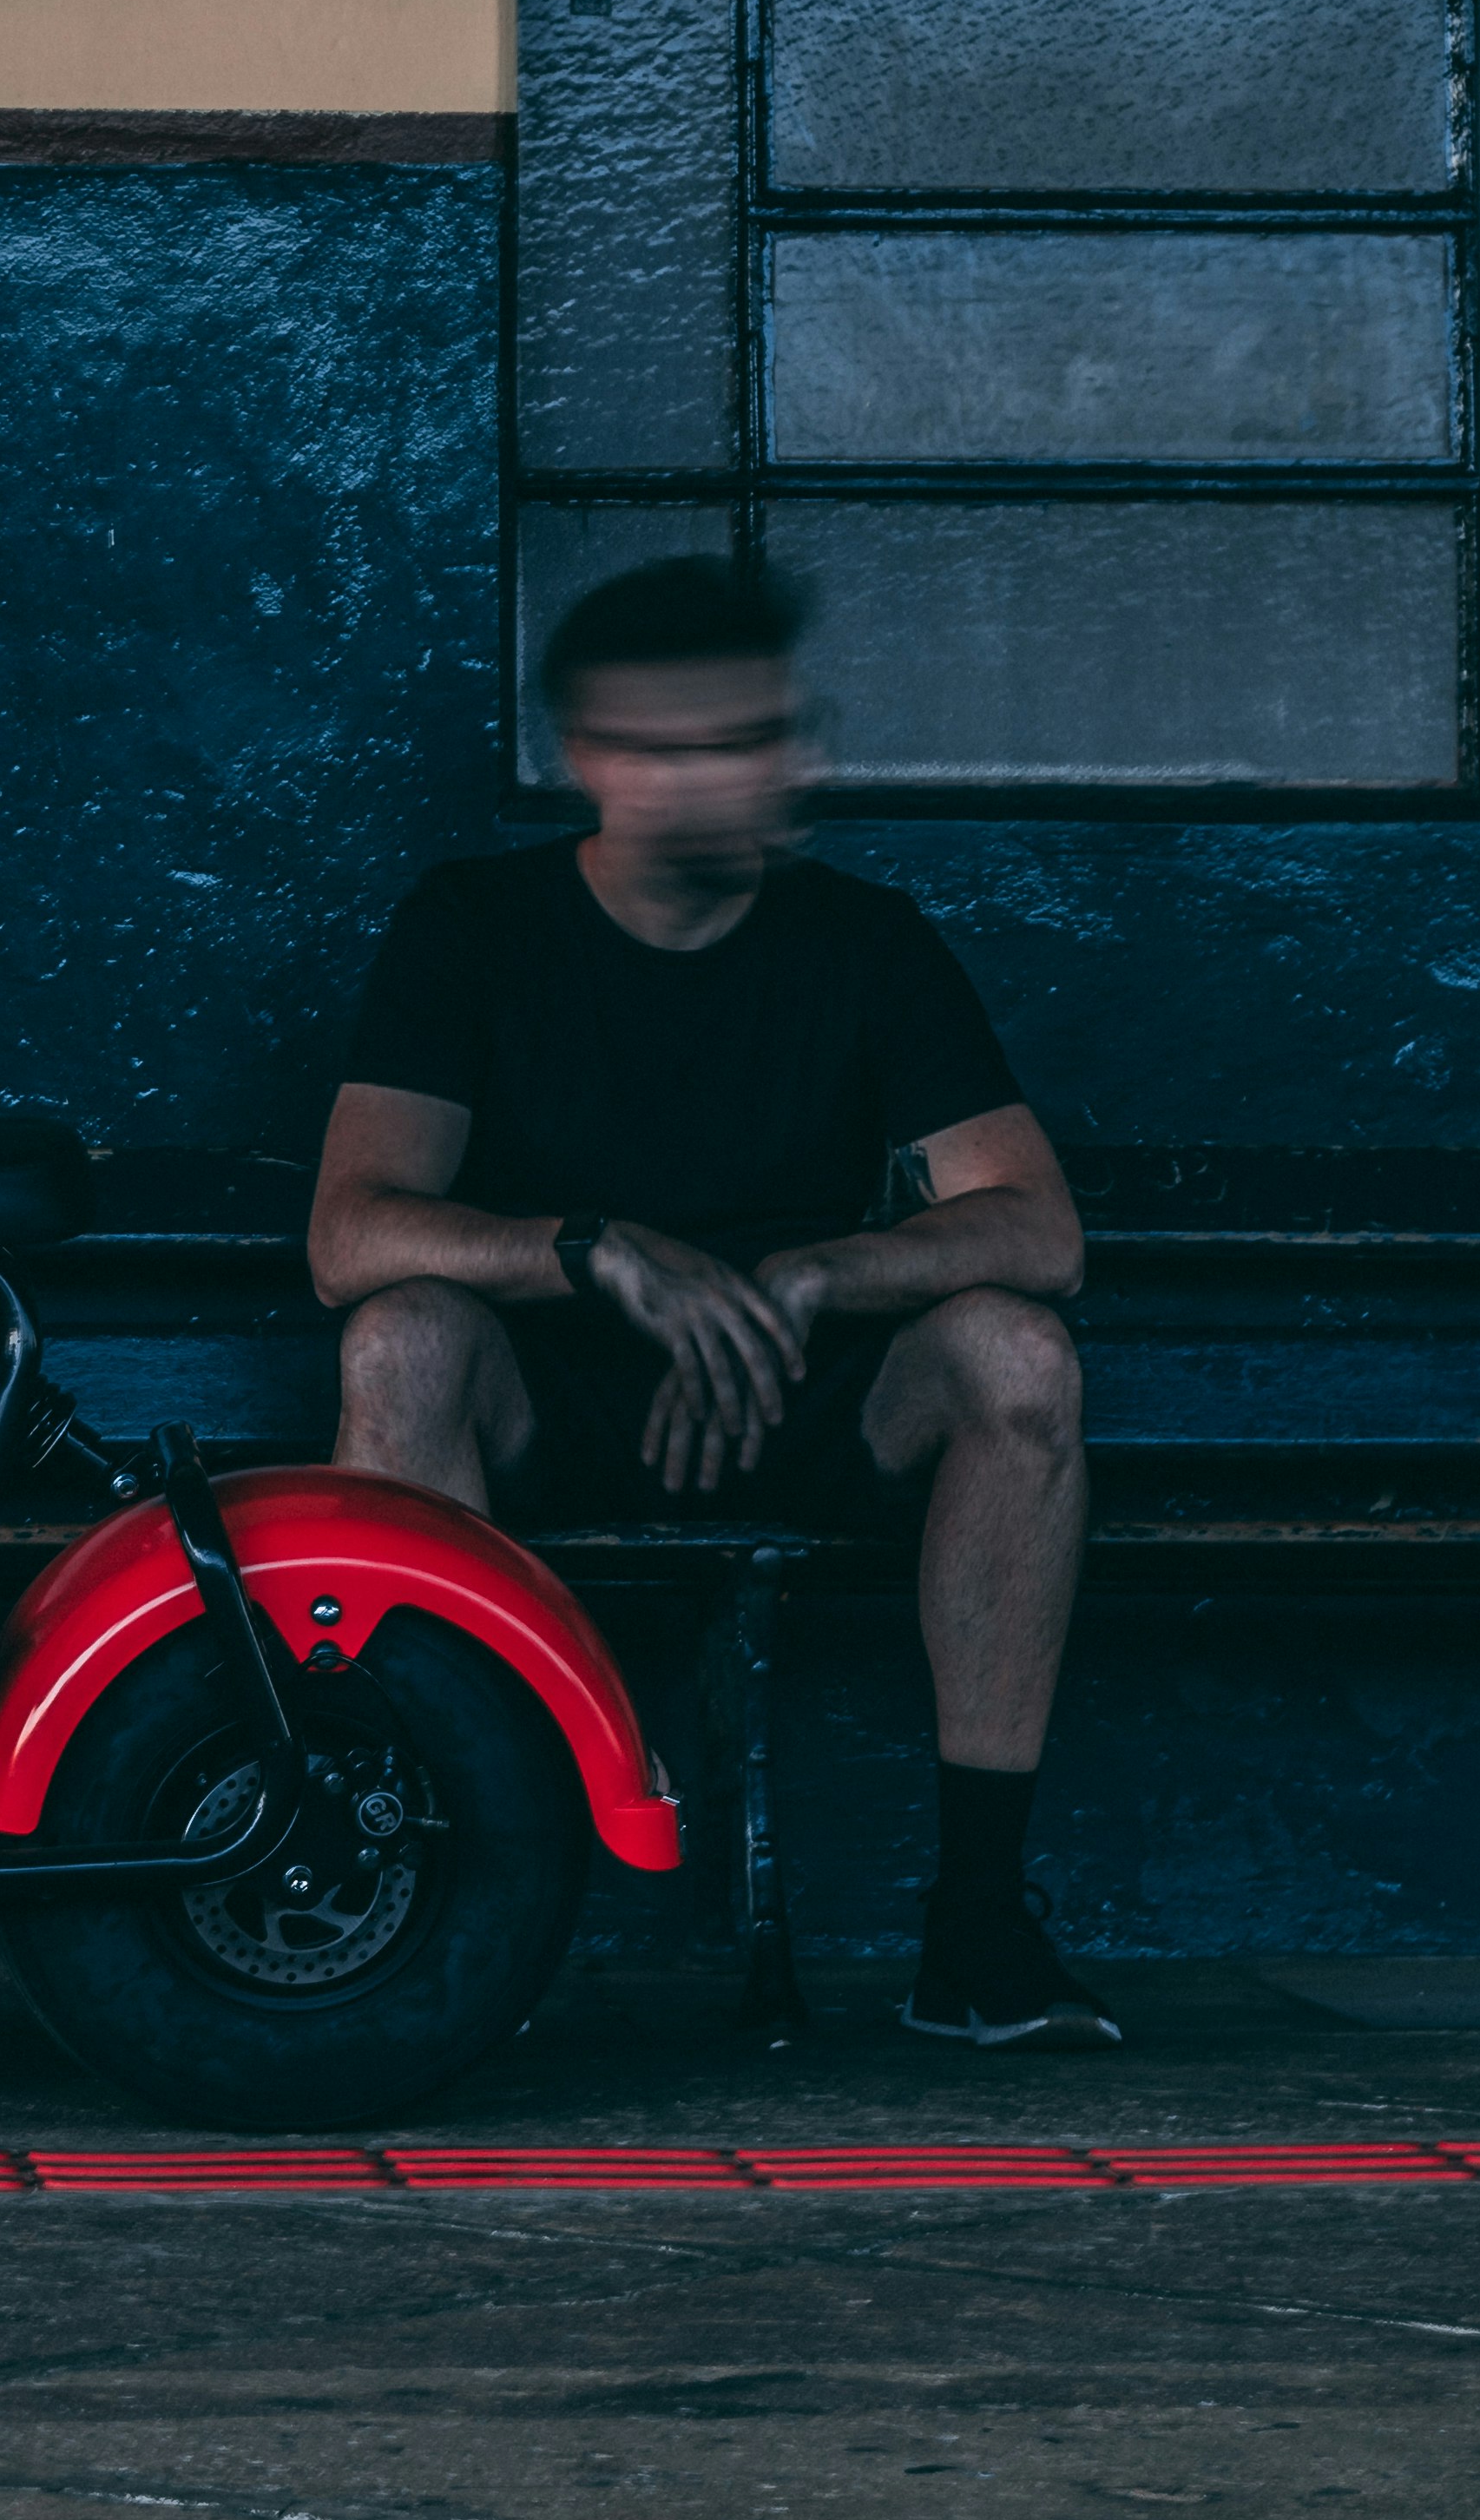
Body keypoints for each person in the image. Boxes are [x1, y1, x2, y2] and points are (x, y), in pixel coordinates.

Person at [310, 553, 1109, 2048]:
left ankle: (980, 1931)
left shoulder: (868, 942)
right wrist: (590, 1244)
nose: (720, 779)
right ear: (588, 760)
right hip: (558, 1401)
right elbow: (352, 1233)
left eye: (748, 739)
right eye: (674, 748)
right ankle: (448, 1904)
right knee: (401, 1337)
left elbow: (1037, 1228)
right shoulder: (474, 927)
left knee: (1019, 1352)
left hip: (803, 1390)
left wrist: (818, 1272)